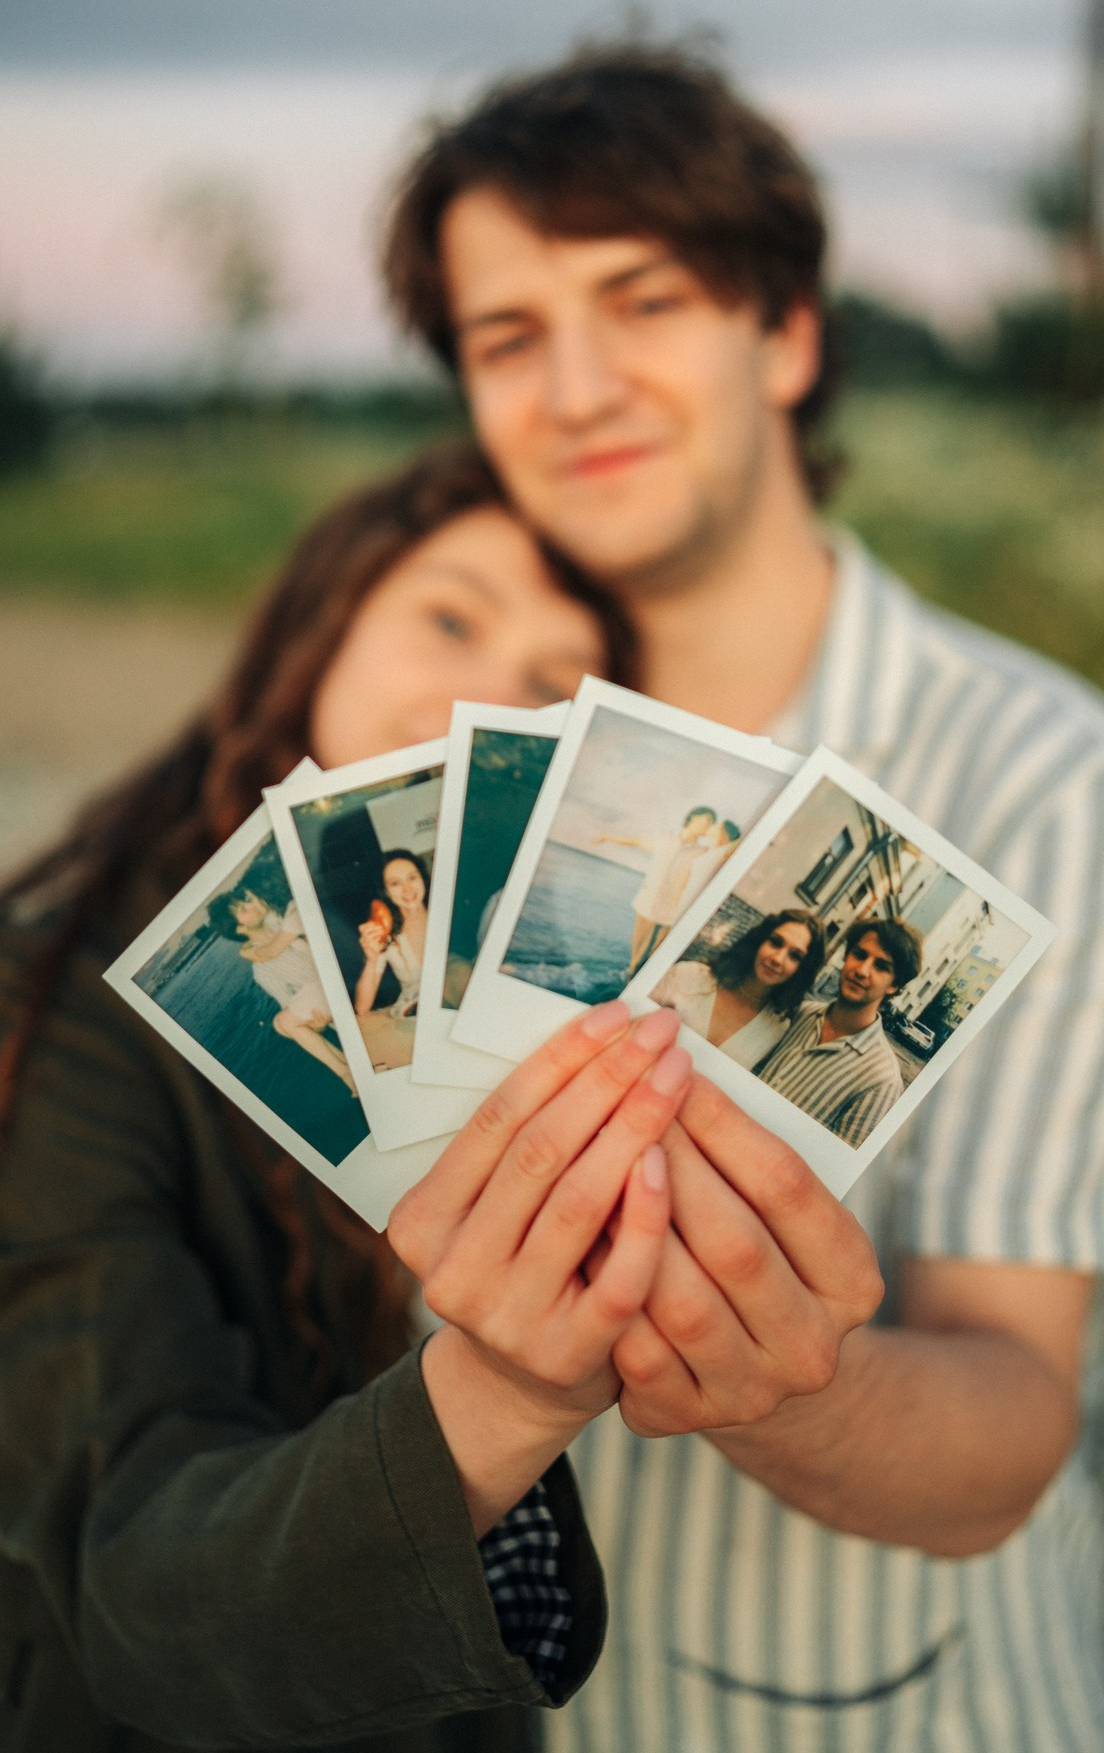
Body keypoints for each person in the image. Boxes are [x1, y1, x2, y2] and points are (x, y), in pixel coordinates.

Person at [383, 40, 1104, 1750]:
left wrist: (764, 1379)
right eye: (508, 338)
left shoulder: (1037, 768)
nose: (577, 387)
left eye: (643, 301)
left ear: (787, 336)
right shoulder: (438, 731)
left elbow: (1008, 1419)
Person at [0, 440, 691, 1752]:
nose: (484, 700)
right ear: (314, 633)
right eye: (450, 621)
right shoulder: (52, 1009)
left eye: (552, 686)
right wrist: (506, 1398)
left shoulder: (558, 1019)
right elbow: (137, 1589)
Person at [756, 918, 919, 1144]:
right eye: (859, 955)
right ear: (846, 956)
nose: (862, 970)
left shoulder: (882, 1081)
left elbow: (833, 1161)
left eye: (881, 966)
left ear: (894, 985)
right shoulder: (801, 1013)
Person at [210, 884, 357, 1093]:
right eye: (243, 909)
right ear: (240, 929)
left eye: (245, 901)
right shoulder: (262, 971)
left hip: (346, 976)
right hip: (334, 1005)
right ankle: (349, 1069)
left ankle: (347, 1072)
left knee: (282, 1023)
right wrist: (318, 1026)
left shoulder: (280, 918)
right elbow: (293, 1008)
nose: (250, 905)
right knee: (282, 1024)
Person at [652, 907, 823, 1069]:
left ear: (802, 969)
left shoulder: (776, 1029)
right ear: (759, 941)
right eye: (775, 943)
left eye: (795, 956)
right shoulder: (687, 975)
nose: (778, 959)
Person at [592, 804, 716, 973]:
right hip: (648, 906)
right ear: (694, 818)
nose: (709, 825)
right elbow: (635, 841)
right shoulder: (665, 838)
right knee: (636, 960)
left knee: (654, 961)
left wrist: (713, 835)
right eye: (707, 820)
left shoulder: (701, 851)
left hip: (671, 914)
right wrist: (607, 837)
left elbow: (723, 853)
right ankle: (629, 981)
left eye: (712, 823)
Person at [354, 848, 430, 1069]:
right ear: (386, 891)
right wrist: (371, 958)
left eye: (412, 878)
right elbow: (362, 1007)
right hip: (414, 1011)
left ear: (422, 878)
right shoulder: (386, 933)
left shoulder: (447, 913)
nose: (407, 889)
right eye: (395, 883)